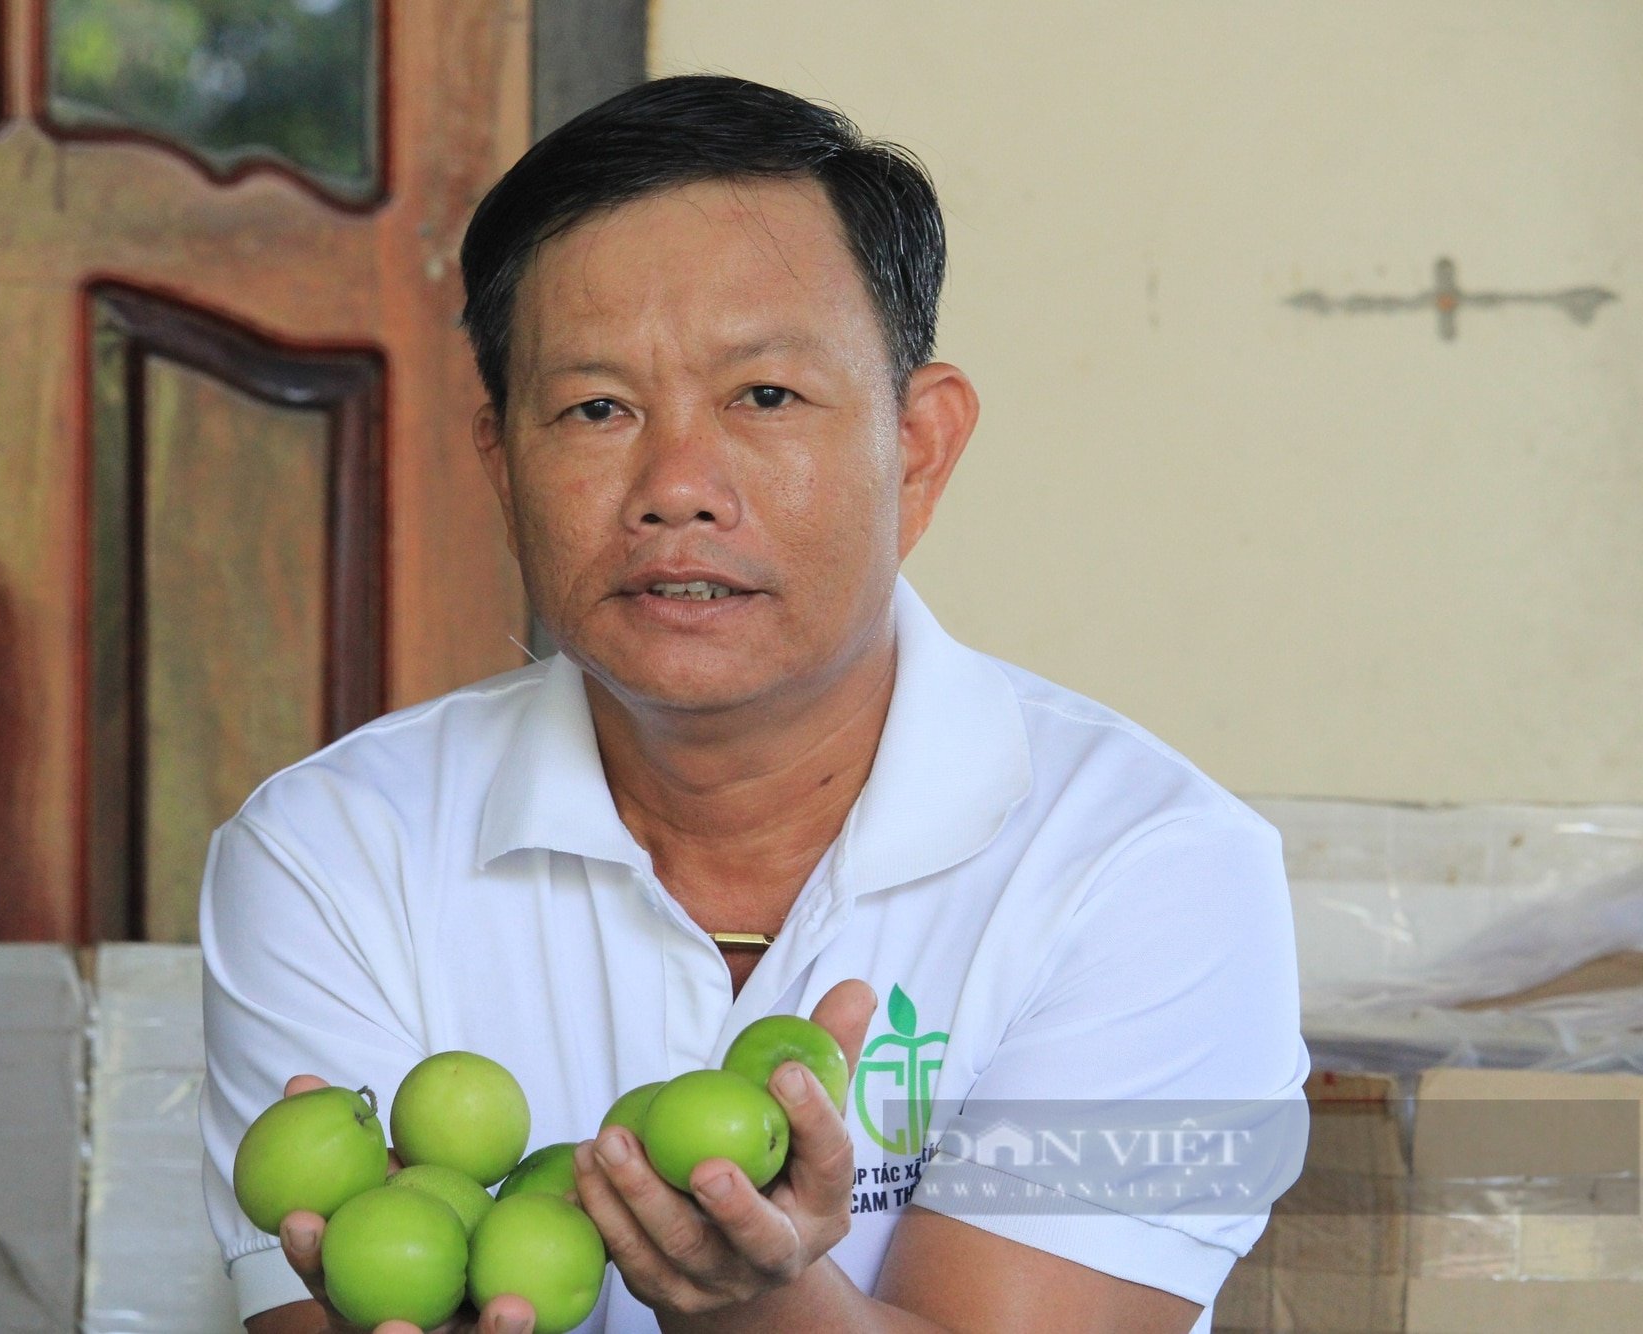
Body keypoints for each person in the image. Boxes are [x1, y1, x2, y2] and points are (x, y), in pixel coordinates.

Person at [199, 75, 1310, 1334]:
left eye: (764, 396)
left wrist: (754, 1302)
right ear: (502, 467)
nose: (677, 485)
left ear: (919, 447)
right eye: (595, 407)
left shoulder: (1151, 867)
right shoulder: (330, 852)